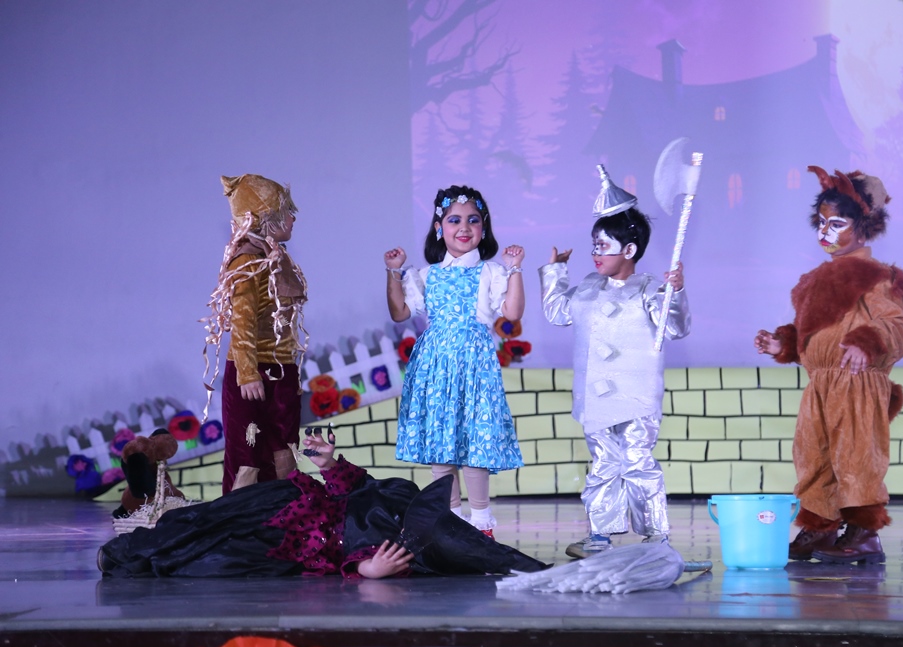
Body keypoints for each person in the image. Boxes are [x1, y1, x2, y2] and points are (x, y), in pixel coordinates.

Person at [97, 427, 546, 578]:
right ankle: (133, 538)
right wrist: (330, 463)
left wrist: (367, 570)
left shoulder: (405, 549)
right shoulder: (402, 496)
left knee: (215, 554)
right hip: (290, 498)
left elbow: (357, 555)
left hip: (294, 542)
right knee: (208, 519)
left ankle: (130, 556)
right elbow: (361, 484)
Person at [754, 166, 903, 565]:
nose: (826, 231)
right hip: (822, 384)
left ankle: (863, 531)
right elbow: (815, 334)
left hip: (857, 381)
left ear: (863, 228)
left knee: (856, 454)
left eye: (838, 223)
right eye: (822, 223)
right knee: (813, 454)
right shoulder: (815, 281)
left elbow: (898, 324)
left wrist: (867, 342)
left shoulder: (875, 277)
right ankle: (820, 525)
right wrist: (785, 344)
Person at [539, 167, 691, 559]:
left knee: (638, 461)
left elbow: (675, 328)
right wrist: (556, 272)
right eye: (594, 246)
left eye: (603, 246)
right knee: (604, 463)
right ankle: (600, 534)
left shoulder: (649, 289)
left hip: (636, 396)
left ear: (629, 250)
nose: (596, 254)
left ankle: (655, 536)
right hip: (595, 398)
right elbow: (557, 313)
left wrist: (675, 292)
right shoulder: (588, 288)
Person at [385, 185, 525, 538]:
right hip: (436, 365)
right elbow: (400, 312)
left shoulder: (491, 271)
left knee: (475, 439)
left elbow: (512, 312)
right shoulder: (427, 275)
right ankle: (449, 522)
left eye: (473, 220)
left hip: (474, 365)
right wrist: (394, 272)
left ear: (483, 227)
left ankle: (481, 522)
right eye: (454, 220)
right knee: (441, 442)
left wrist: (515, 270)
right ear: (439, 227)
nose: (464, 227)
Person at [201, 174, 308, 495]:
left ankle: (284, 512)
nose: (293, 218)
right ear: (264, 218)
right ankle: (242, 516)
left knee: (283, 449)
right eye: (285, 212)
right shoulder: (248, 260)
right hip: (254, 371)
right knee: (248, 454)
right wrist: (247, 373)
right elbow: (243, 319)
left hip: (281, 369)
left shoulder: (274, 257)